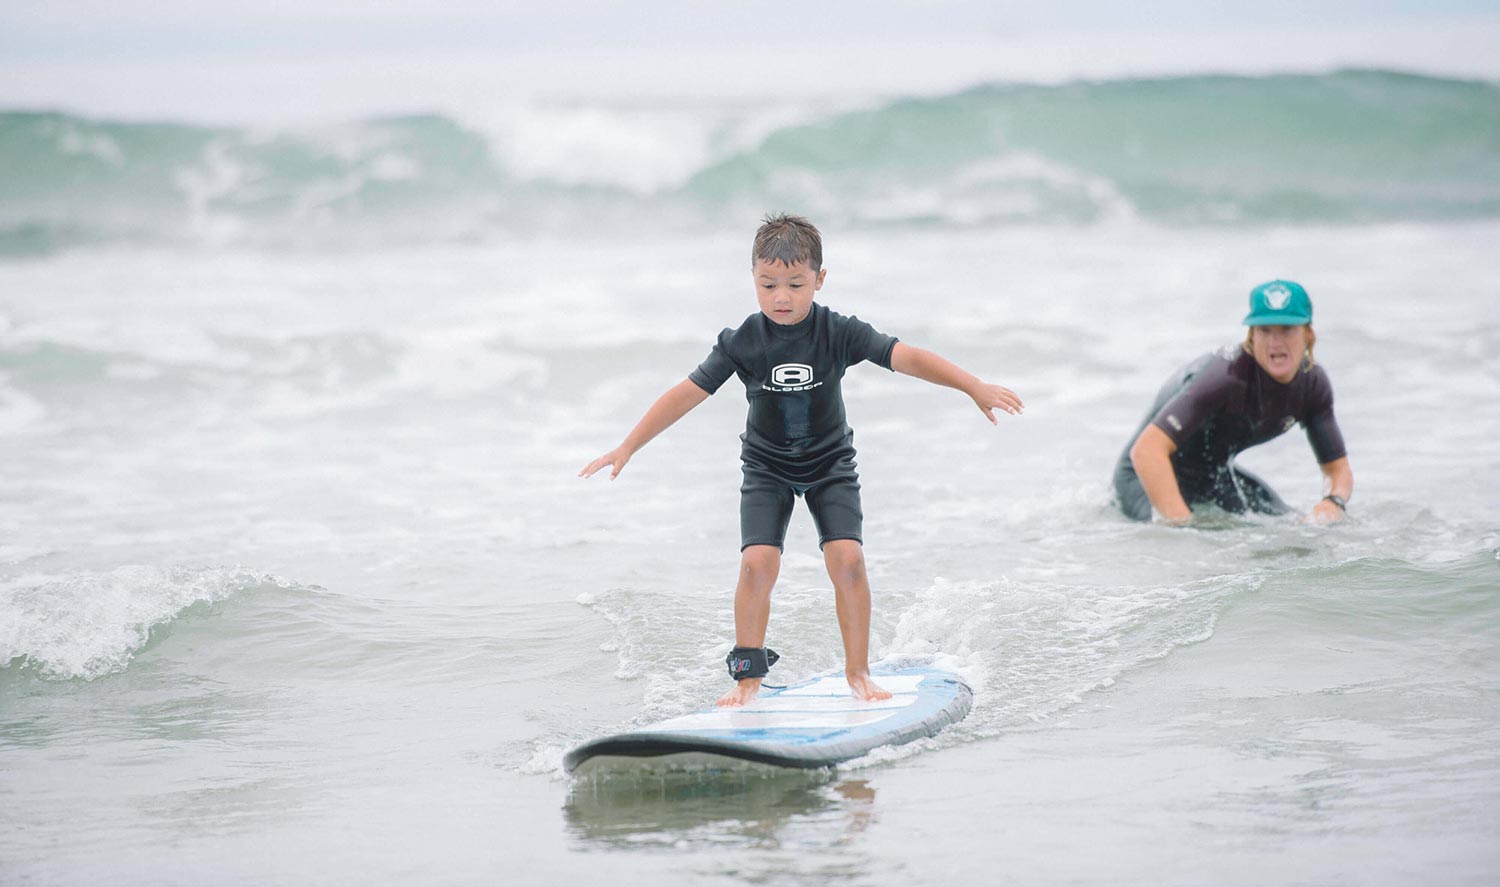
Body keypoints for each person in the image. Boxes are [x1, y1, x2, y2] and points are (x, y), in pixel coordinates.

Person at [580, 214, 1023, 706]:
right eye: (768, 285)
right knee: (756, 564)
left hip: (830, 463)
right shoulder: (742, 341)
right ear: (753, 278)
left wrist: (973, 387)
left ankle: (859, 674)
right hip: (766, 467)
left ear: (820, 279)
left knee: (848, 559)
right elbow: (686, 394)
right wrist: (628, 446)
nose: (781, 297)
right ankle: (748, 679)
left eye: (795, 284)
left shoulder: (838, 332)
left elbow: (908, 357)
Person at [1113, 279, 1353, 525]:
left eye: (1286, 329)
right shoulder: (1225, 377)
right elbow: (1147, 451)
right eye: (1265, 330)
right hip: (1143, 477)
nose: (1275, 342)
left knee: (1298, 527)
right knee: (1191, 541)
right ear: (1251, 336)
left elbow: (1337, 470)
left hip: (1212, 475)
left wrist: (1333, 502)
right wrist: (1184, 527)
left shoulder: (1313, 385)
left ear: (1308, 334)